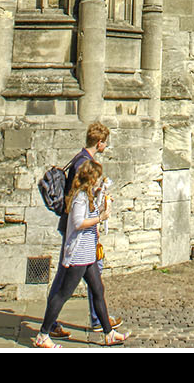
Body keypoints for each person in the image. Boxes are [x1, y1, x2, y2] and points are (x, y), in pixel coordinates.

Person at [34, 160, 124, 348]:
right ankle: (43, 334)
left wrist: (103, 205)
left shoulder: (87, 196)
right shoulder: (80, 197)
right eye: (97, 178)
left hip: (88, 253)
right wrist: (100, 217)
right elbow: (78, 223)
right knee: (63, 294)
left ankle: (108, 333)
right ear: (91, 178)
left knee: (98, 290)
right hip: (78, 254)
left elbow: (90, 217)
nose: (98, 181)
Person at [44, 121, 121, 339]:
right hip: (77, 232)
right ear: (99, 142)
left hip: (81, 230)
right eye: (105, 142)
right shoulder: (83, 163)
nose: (106, 146)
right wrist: (99, 214)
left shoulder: (82, 159)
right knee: (63, 282)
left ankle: (99, 321)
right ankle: (49, 326)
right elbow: (80, 198)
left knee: (94, 280)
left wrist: (100, 196)